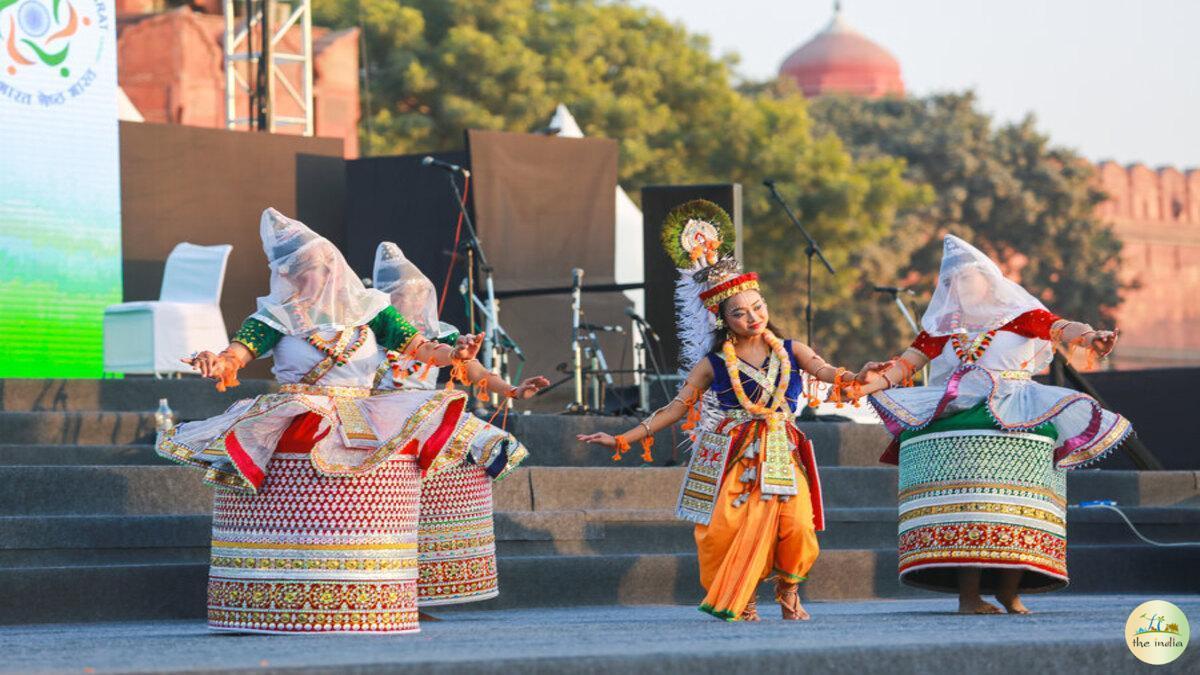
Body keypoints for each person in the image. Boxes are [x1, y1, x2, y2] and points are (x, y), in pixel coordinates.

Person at [158, 208, 540, 634]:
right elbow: (237, 354)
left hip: (369, 420)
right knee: (296, 516)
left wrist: (457, 356)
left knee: (372, 517)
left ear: (332, 267)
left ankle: (374, 601)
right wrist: (218, 360)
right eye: (293, 272)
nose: (302, 280)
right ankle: (279, 605)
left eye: (310, 270)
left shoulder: (374, 312)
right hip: (298, 420)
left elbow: (423, 349)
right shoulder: (273, 318)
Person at [577, 200, 854, 622]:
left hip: (782, 446)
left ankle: (788, 589)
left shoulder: (792, 349)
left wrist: (858, 376)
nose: (752, 317)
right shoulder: (713, 363)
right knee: (722, 529)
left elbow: (827, 371)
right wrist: (622, 438)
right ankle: (738, 597)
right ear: (723, 318)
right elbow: (674, 408)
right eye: (740, 313)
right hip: (737, 452)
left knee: (797, 525)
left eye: (758, 307)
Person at [849, 234, 1129, 615]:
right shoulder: (940, 328)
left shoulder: (1021, 315)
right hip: (956, 413)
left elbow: (1063, 328)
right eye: (952, 283)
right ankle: (968, 598)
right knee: (970, 508)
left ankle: (1010, 592)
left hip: (1018, 409)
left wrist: (1093, 337)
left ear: (990, 279)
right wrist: (866, 383)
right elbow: (905, 366)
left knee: (1013, 507)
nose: (960, 287)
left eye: (968, 278)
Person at [370, 242, 548, 609]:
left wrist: (512, 390)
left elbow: (475, 371)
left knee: (443, 496)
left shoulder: (442, 334)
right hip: (377, 418)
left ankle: (431, 587)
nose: (412, 303)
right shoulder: (373, 328)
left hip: (428, 415)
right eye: (402, 296)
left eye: (419, 296)